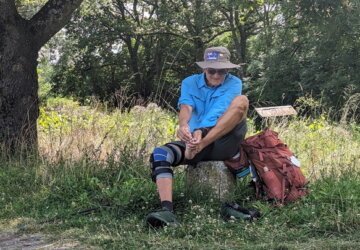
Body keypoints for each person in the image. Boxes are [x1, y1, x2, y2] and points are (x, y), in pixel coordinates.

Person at [146, 46, 249, 227]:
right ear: (204, 69)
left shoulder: (235, 83)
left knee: (242, 101)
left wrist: (201, 133)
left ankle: (198, 147)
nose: (217, 75)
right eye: (212, 71)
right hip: (194, 141)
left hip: (223, 140)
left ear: (228, 70)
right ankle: (167, 211)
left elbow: (219, 111)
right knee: (160, 154)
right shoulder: (189, 82)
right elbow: (186, 106)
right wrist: (184, 125)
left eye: (222, 71)